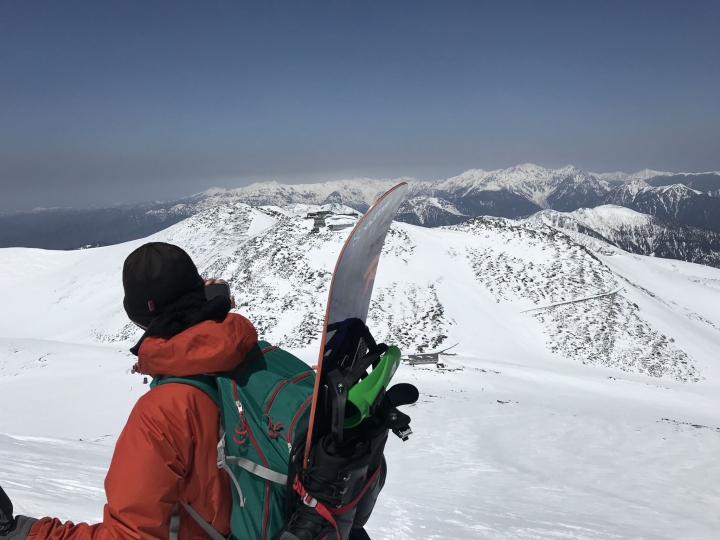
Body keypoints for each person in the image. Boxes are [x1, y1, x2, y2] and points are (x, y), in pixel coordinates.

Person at [0, 242, 261, 540]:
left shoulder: (162, 413)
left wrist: (24, 532)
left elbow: (129, 536)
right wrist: (215, 306)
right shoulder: (263, 358)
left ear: (138, 319)